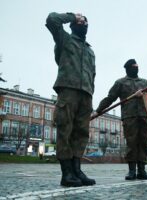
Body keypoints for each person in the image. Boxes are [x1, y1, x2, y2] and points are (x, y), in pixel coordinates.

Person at [46, 12, 96, 187]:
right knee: (65, 130)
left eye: (85, 22)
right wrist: (72, 15)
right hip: (68, 89)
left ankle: (77, 170)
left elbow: (93, 74)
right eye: (80, 22)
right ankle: (66, 173)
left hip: (86, 94)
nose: (83, 24)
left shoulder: (90, 50)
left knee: (81, 133)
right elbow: (52, 20)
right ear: (73, 24)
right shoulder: (64, 39)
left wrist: (91, 92)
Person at [92, 59, 147, 180]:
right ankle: (131, 171)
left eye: (137, 66)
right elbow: (110, 98)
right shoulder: (120, 83)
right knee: (131, 143)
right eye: (133, 67)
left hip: (144, 117)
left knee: (143, 143)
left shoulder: (145, 82)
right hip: (129, 117)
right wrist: (98, 110)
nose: (136, 68)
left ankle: (142, 170)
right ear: (128, 68)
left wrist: (145, 94)